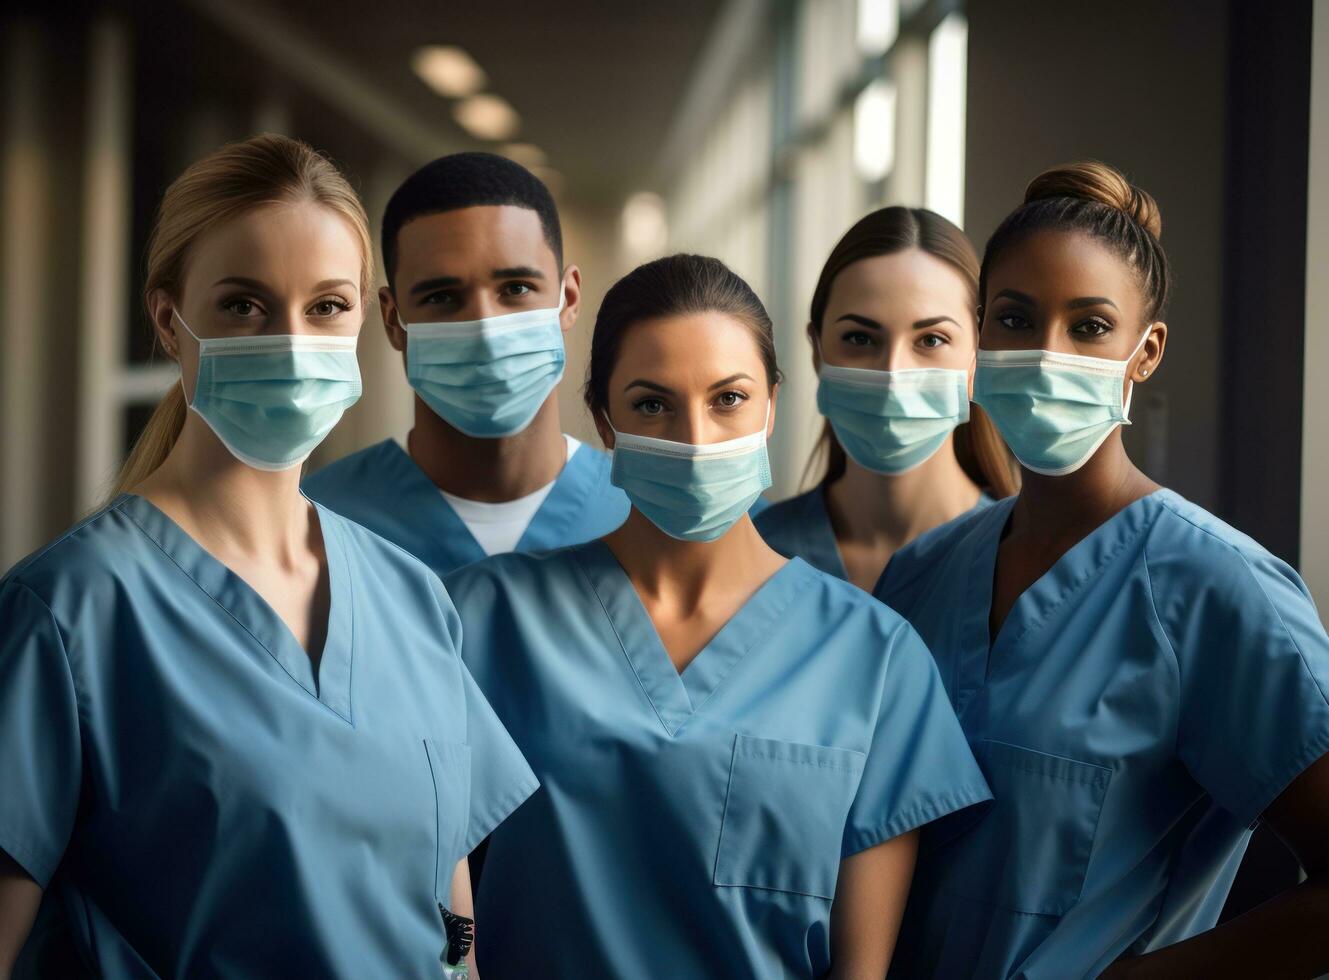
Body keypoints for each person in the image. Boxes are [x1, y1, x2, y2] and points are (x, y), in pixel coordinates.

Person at [0, 135, 535, 978]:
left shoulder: (408, 597)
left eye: (326, 306)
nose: (290, 343)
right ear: (169, 321)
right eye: (245, 305)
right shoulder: (72, 610)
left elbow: (453, 944)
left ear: (366, 317)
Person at [444, 253, 991, 979]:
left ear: (771, 403)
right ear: (604, 421)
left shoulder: (875, 657)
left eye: (727, 398)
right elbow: (433, 890)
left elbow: (862, 971)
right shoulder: (482, 619)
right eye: (651, 404)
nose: (695, 439)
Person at [878, 162, 1329, 979]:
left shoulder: (1215, 589)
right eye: (1014, 319)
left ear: (1144, 351)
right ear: (980, 335)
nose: (1045, 356)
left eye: (1087, 328)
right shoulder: (922, 575)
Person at [302, 152, 629, 577]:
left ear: (567, 299)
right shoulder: (318, 524)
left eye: (516, 288)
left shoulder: (643, 512)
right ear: (392, 320)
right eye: (441, 297)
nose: (485, 330)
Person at [756, 207, 1016, 592]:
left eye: (931, 340)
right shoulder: (759, 554)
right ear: (817, 351)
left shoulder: (1020, 557)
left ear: (979, 356)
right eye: (860, 339)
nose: (893, 373)